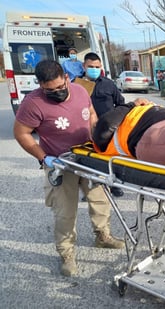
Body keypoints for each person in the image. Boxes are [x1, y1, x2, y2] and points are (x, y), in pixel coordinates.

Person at [13, 60, 125, 277]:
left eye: (59, 87)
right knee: (65, 212)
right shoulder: (33, 103)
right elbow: (21, 133)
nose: (56, 92)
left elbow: (90, 112)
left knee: (101, 200)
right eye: (49, 90)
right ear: (40, 85)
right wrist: (44, 158)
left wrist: (96, 136)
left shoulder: (81, 90)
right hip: (60, 162)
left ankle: (103, 236)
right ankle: (66, 253)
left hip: (89, 157)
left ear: (66, 77)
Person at [81, 52, 127, 197]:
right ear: (84, 66)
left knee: (112, 158)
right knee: (89, 158)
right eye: (90, 66)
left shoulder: (108, 84)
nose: (94, 69)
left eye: (97, 67)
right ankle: (89, 188)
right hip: (87, 129)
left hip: (109, 129)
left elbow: (120, 103)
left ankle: (115, 185)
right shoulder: (77, 86)